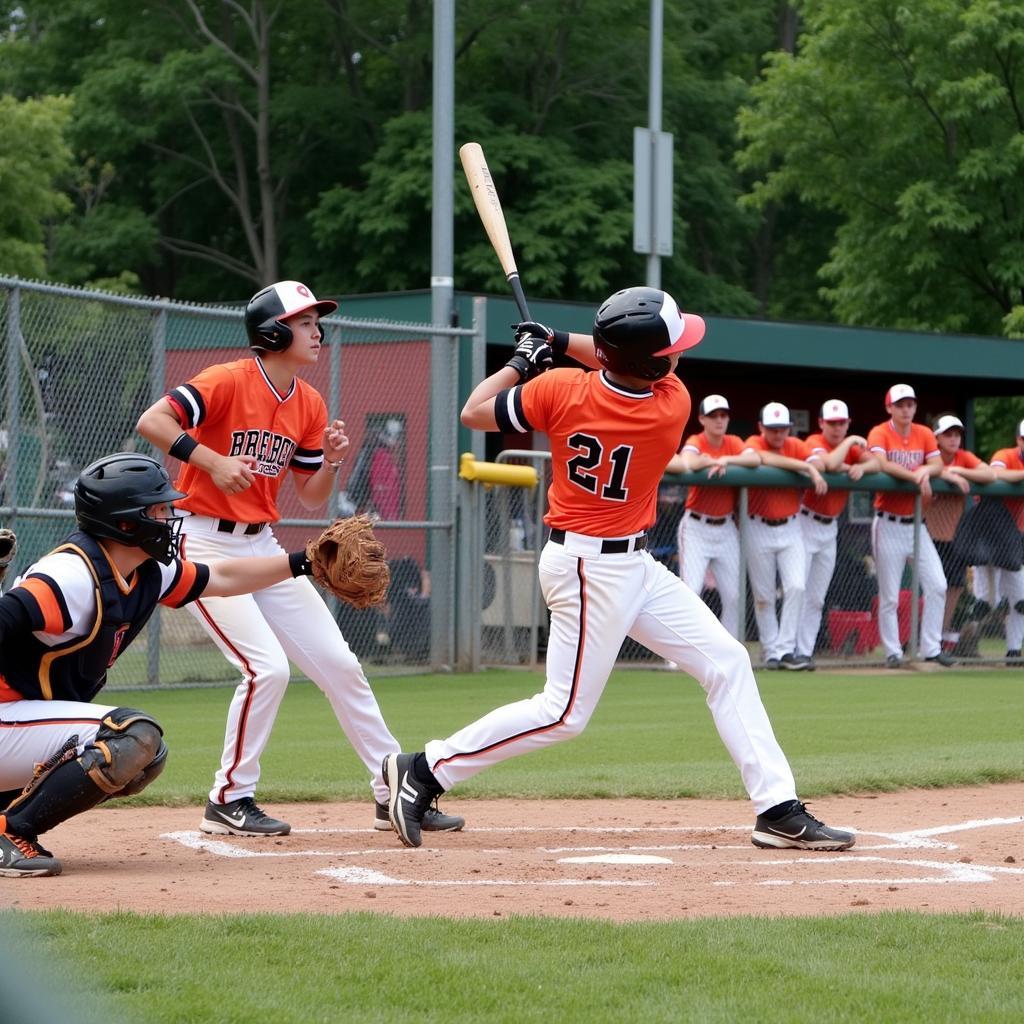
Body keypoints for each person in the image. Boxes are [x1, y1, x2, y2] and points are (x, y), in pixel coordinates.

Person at [380, 287, 854, 853]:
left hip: (626, 564)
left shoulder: (557, 390)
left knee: (727, 662)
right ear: (654, 363)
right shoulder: (671, 403)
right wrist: (556, 341)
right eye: (671, 347)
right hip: (589, 573)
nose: (679, 353)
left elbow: (475, 410)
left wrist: (524, 360)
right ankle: (424, 770)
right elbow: (614, 360)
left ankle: (776, 808)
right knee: (562, 714)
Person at [136, 281, 462, 837]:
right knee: (266, 669)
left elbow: (310, 495)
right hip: (204, 543)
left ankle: (393, 792)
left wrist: (332, 463)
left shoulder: (308, 401)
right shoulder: (226, 380)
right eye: (305, 322)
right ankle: (228, 798)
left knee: (341, 665)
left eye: (316, 321)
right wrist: (212, 462)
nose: (318, 330)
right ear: (272, 332)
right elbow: (154, 422)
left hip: (260, 543)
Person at [0, 453, 326, 876]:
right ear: (124, 522)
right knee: (132, 735)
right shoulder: (70, 576)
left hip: (16, 726)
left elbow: (222, 578)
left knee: (146, 756)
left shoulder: (145, 570)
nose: (169, 516)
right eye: (157, 509)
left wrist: (304, 563)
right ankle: (10, 832)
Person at [866, 384, 951, 668]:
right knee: (890, 594)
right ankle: (893, 652)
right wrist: (915, 476)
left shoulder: (924, 433)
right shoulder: (880, 432)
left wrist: (925, 470)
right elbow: (880, 464)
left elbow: (937, 464)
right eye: (900, 404)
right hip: (888, 521)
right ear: (889, 407)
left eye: (910, 404)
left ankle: (930, 647)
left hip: (916, 524)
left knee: (937, 584)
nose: (905, 409)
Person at [665, 395, 760, 639]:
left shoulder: (733, 442)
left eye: (723, 415)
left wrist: (725, 460)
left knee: (734, 595)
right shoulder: (697, 439)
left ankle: (728, 649)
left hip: (726, 527)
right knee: (691, 591)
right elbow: (687, 461)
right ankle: (681, 650)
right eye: (713, 416)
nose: (719, 420)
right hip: (697, 526)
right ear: (702, 419)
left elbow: (754, 459)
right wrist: (704, 462)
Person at [795, 400, 880, 668]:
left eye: (842, 423)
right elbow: (829, 464)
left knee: (817, 596)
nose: (837, 427)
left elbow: (877, 464)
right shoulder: (813, 440)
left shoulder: (851, 451)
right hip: (805, 522)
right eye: (832, 422)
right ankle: (784, 649)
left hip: (829, 527)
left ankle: (803, 651)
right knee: (797, 589)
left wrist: (861, 467)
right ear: (822, 423)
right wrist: (852, 441)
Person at [743, 402, 828, 670]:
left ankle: (786, 649)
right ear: (761, 427)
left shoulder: (795, 444)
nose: (778, 434)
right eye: (773, 429)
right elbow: (762, 458)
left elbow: (819, 462)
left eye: (782, 429)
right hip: (757, 524)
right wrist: (804, 468)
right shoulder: (754, 441)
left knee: (797, 586)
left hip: (791, 525)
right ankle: (771, 652)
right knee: (764, 595)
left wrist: (811, 466)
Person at [925, 415, 994, 655]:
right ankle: (920, 638)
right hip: (926, 533)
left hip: (955, 535)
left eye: (956, 434)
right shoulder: (930, 456)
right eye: (948, 434)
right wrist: (945, 474)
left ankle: (940, 637)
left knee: (953, 586)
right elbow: (921, 470)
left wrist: (959, 470)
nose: (953, 439)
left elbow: (989, 475)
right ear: (937, 437)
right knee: (931, 587)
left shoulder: (963, 457)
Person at [985, 420, 1024, 660]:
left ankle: (1013, 649)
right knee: (988, 600)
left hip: (1018, 536)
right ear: (1019, 440)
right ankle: (958, 642)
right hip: (992, 534)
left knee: (1020, 596)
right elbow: (994, 473)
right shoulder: (1005, 455)